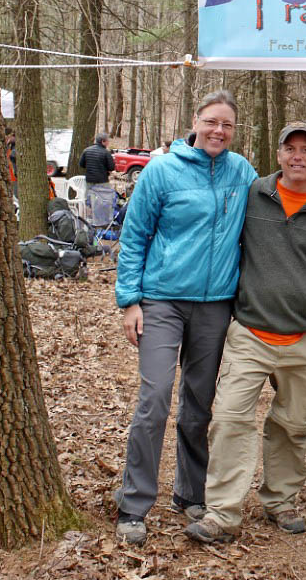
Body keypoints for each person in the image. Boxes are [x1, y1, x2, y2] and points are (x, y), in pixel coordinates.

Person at [185, 121, 306, 545]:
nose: (298, 156)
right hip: (251, 334)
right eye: (290, 149)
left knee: (292, 425)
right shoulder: (252, 196)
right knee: (228, 420)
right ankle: (222, 514)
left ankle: (280, 500)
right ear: (278, 155)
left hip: (304, 340)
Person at [113, 90, 257, 546]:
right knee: (155, 398)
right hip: (162, 300)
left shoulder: (240, 171)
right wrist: (129, 301)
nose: (218, 131)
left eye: (227, 125)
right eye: (212, 122)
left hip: (216, 304)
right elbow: (134, 236)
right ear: (196, 121)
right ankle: (135, 503)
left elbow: (274, 204)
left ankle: (190, 492)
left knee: (199, 403)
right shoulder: (161, 171)